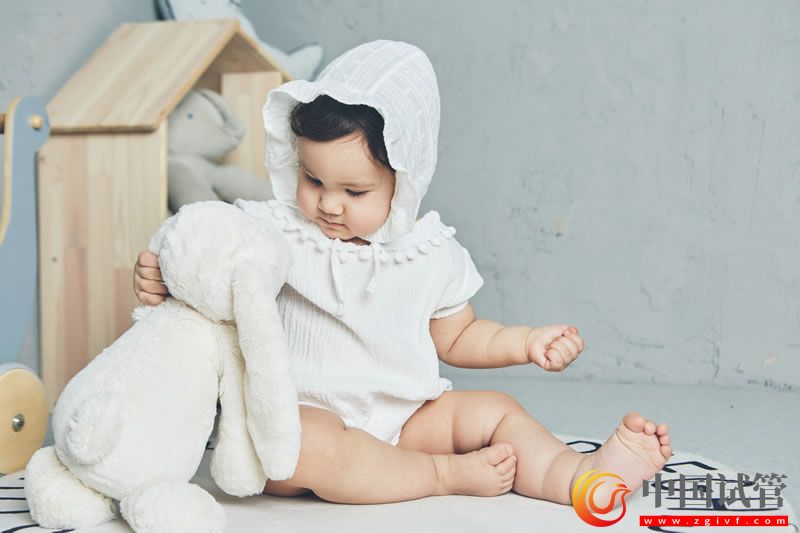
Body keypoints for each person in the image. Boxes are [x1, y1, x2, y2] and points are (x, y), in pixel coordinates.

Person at [134, 40, 671, 506]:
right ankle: (438, 476)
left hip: (407, 420)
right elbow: (203, 259)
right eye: (313, 179)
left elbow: (459, 336)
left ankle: (579, 477)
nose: (329, 204)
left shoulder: (428, 252)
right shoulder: (273, 230)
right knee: (304, 445)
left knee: (495, 412)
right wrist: (162, 276)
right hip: (300, 420)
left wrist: (525, 342)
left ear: (404, 183)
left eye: (355, 191)